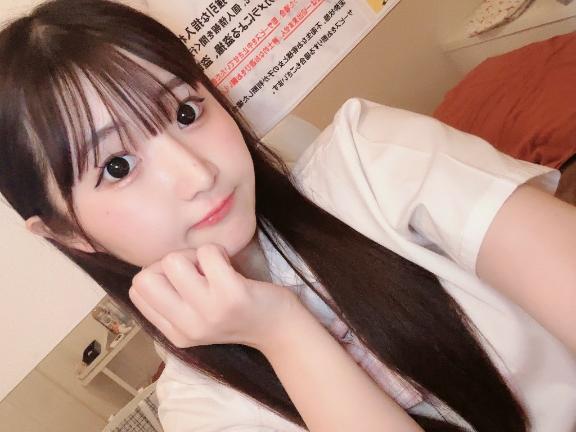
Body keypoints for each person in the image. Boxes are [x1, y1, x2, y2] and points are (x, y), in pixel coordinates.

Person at [0, 1, 574, 431]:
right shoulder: (201, 411)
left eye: (185, 112)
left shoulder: (373, 161)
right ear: (65, 231)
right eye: (118, 166)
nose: (198, 173)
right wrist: (281, 332)